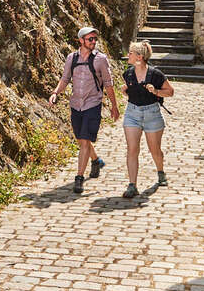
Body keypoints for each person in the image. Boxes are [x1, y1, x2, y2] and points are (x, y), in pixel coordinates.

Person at [49, 26, 120, 194]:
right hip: (75, 104)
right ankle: (95, 161)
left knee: (84, 139)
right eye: (90, 39)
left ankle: (79, 178)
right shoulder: (71, 58)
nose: (94, 42)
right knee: (82, 140)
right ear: (81, 40)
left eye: (95, 39)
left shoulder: (101, 59)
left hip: (93, 104)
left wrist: (114, 106)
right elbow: (65, 78)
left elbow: (108, 84)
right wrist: (55, 93)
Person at [121, 40, 174, 198]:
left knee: (154, 150)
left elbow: (170, 92)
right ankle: (132, 185)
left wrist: (156, 91)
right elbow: (130, 92)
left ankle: (160, 172)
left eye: (130, 53)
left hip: (152, 114)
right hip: (132, 113)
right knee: (132, 149)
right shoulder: (128, 73)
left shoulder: (155, 74)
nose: (128, 56)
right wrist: (125, 91)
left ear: (139, 57)